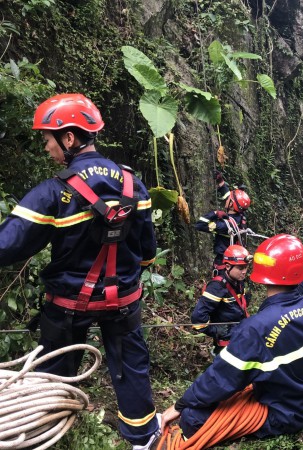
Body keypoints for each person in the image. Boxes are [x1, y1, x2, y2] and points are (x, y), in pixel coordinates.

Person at [0, 94, 160, 449]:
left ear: (69, 138)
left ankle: (47, 435)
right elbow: (147, 254)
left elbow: (8, 246)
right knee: (132, 368)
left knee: (54, 376)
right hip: (124, 302)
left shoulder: (53, 193)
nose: (47, 148)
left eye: (48, 139)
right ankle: (143, 438)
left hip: (68, 305)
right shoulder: (135, 186)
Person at [161, 234, 303, 444]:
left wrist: (179, 406)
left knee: (193, 418)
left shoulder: (257, 327)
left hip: (280, 412)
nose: (243, 271)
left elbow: (220, 379)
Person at [191, 245, 251, 355]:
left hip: (241, 338)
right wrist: (216, 330)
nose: (244, 272)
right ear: (227, 266)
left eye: (246, 267)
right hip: (226, 346)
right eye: (240, 268)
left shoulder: (239, 282)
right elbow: (197, 320)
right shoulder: (217, 287)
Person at [194, 170, 251, 274]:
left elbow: (199, 225)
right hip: (235, 263)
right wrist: (221, 182)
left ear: (230, 205)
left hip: (224, 264)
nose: (227, 197)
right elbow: (229, 197)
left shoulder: (224, 225)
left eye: (229, 198)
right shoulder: (241, 216)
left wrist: (215, 213)